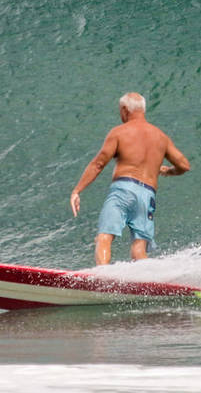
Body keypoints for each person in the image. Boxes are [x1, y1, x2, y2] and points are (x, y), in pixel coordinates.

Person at [70, 92, 190, 265]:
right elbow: (184, 165)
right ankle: (148, 282)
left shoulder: (119, 132)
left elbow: (98, 164)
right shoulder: (161, 137)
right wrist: (168, 171)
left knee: (104, 237)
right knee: (139, 248)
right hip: (148, 195)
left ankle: (103, 279)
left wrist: (77, 190)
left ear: (125, 110)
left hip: (124, 190)